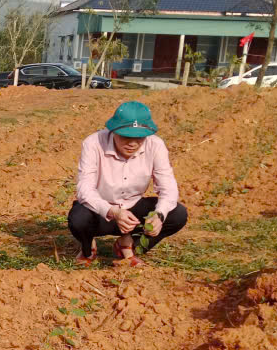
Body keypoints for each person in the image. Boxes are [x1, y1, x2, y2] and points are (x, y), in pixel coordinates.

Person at [68, 100, 188, 267]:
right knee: (79, 218)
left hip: (133, 209)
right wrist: (114, 212)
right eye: (126, 136)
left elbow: (168, 187)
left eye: (139, 138)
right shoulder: (93, 143)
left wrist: (159, 216)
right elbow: (84, 189)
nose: (133, 143)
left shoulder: (156, 145)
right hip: (102, 211)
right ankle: (88, 249)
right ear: (113, 131)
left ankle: (129, 246)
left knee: (177, 214)